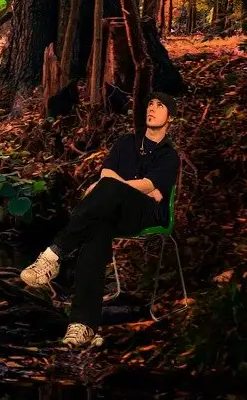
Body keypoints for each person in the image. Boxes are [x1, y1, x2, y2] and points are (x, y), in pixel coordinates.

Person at [20, 97, 179, 348]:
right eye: (150, 104)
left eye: (160, 106)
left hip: (145, 214)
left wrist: (123, 187)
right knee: (98, 229)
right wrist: (128, 187)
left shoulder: (169, 155)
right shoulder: (126, 142)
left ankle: (53, 255)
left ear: (170, 118)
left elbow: (151, 185)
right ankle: (83, 326)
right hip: (113, 211)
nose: (151, 108)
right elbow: (108, 174)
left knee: (107, 190)